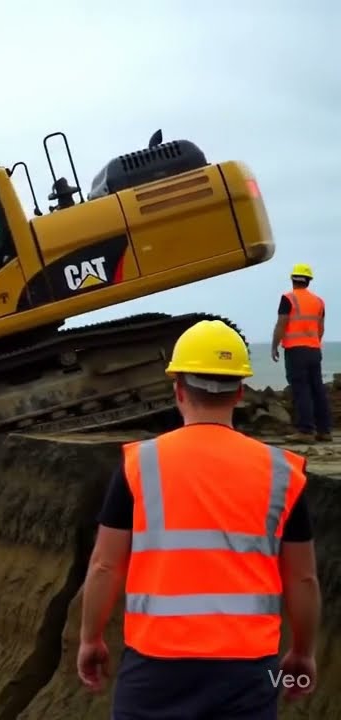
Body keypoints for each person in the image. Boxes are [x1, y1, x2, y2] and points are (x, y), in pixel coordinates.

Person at [77, 319, 321, 718]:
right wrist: (302, 653)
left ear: (178, 390)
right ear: (240, 392)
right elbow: (303, 577)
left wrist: (91, 639)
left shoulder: (140, 464)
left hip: (154, 668)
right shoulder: (283, 473)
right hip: (248, 672)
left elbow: (105, 564)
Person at [272, 263, 332, 442]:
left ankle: (306, 431)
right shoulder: (318, 301)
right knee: (317, 389)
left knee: (301, 390)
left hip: (295, 350)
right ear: (309, 281)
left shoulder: (288, 298)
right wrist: (314, 343)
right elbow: (320, 328)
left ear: (292, 279)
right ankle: (324, 430)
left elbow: (282, 323)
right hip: (314, 349)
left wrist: (274, 345)